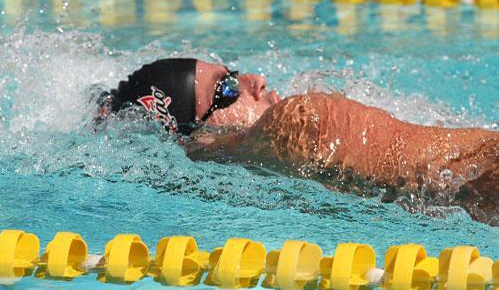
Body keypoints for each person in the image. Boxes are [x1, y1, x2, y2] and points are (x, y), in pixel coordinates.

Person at [97, 58, 498, 225]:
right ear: (192, 138)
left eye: (234, 72)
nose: (255, 81)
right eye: (226, 90)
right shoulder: (301, 122)